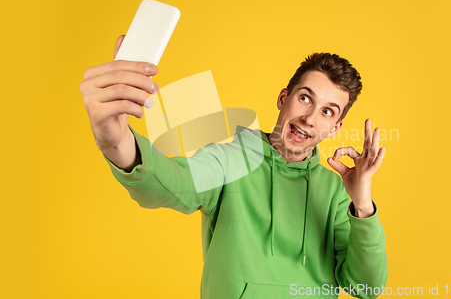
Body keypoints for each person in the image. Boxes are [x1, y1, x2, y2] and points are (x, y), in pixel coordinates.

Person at [80, 35, 388, 299]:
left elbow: (366, 287)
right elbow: (171, 183)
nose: (310, 118)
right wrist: (116, 140)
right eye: (305, 98)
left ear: (335, 128)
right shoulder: (232, 160)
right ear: (284, 98)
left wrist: (362, 203)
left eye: (327, 111)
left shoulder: (336, 190)